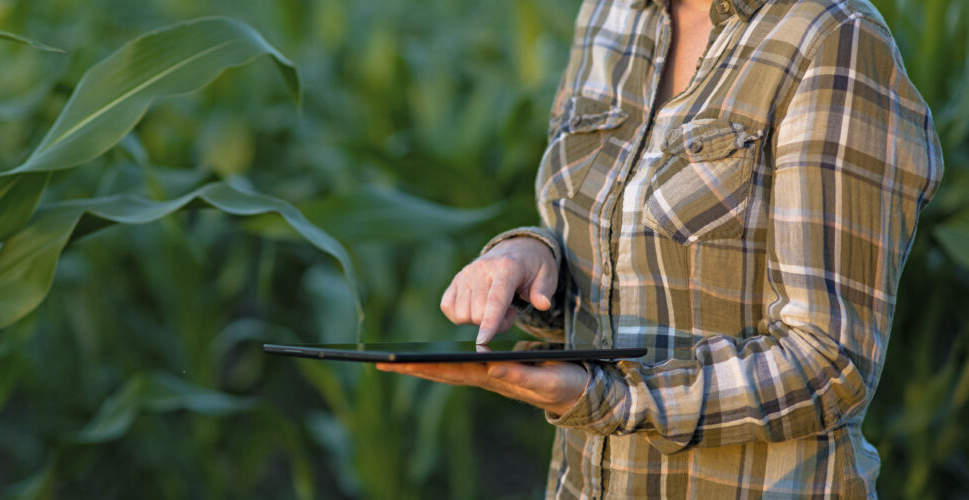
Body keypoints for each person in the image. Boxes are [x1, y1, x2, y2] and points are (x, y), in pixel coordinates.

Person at [376, 0, 944, 497]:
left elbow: (827, 363)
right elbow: (611, 247)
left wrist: (611, 398)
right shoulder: (610, 15)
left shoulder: (832, 38)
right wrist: (529, 261)